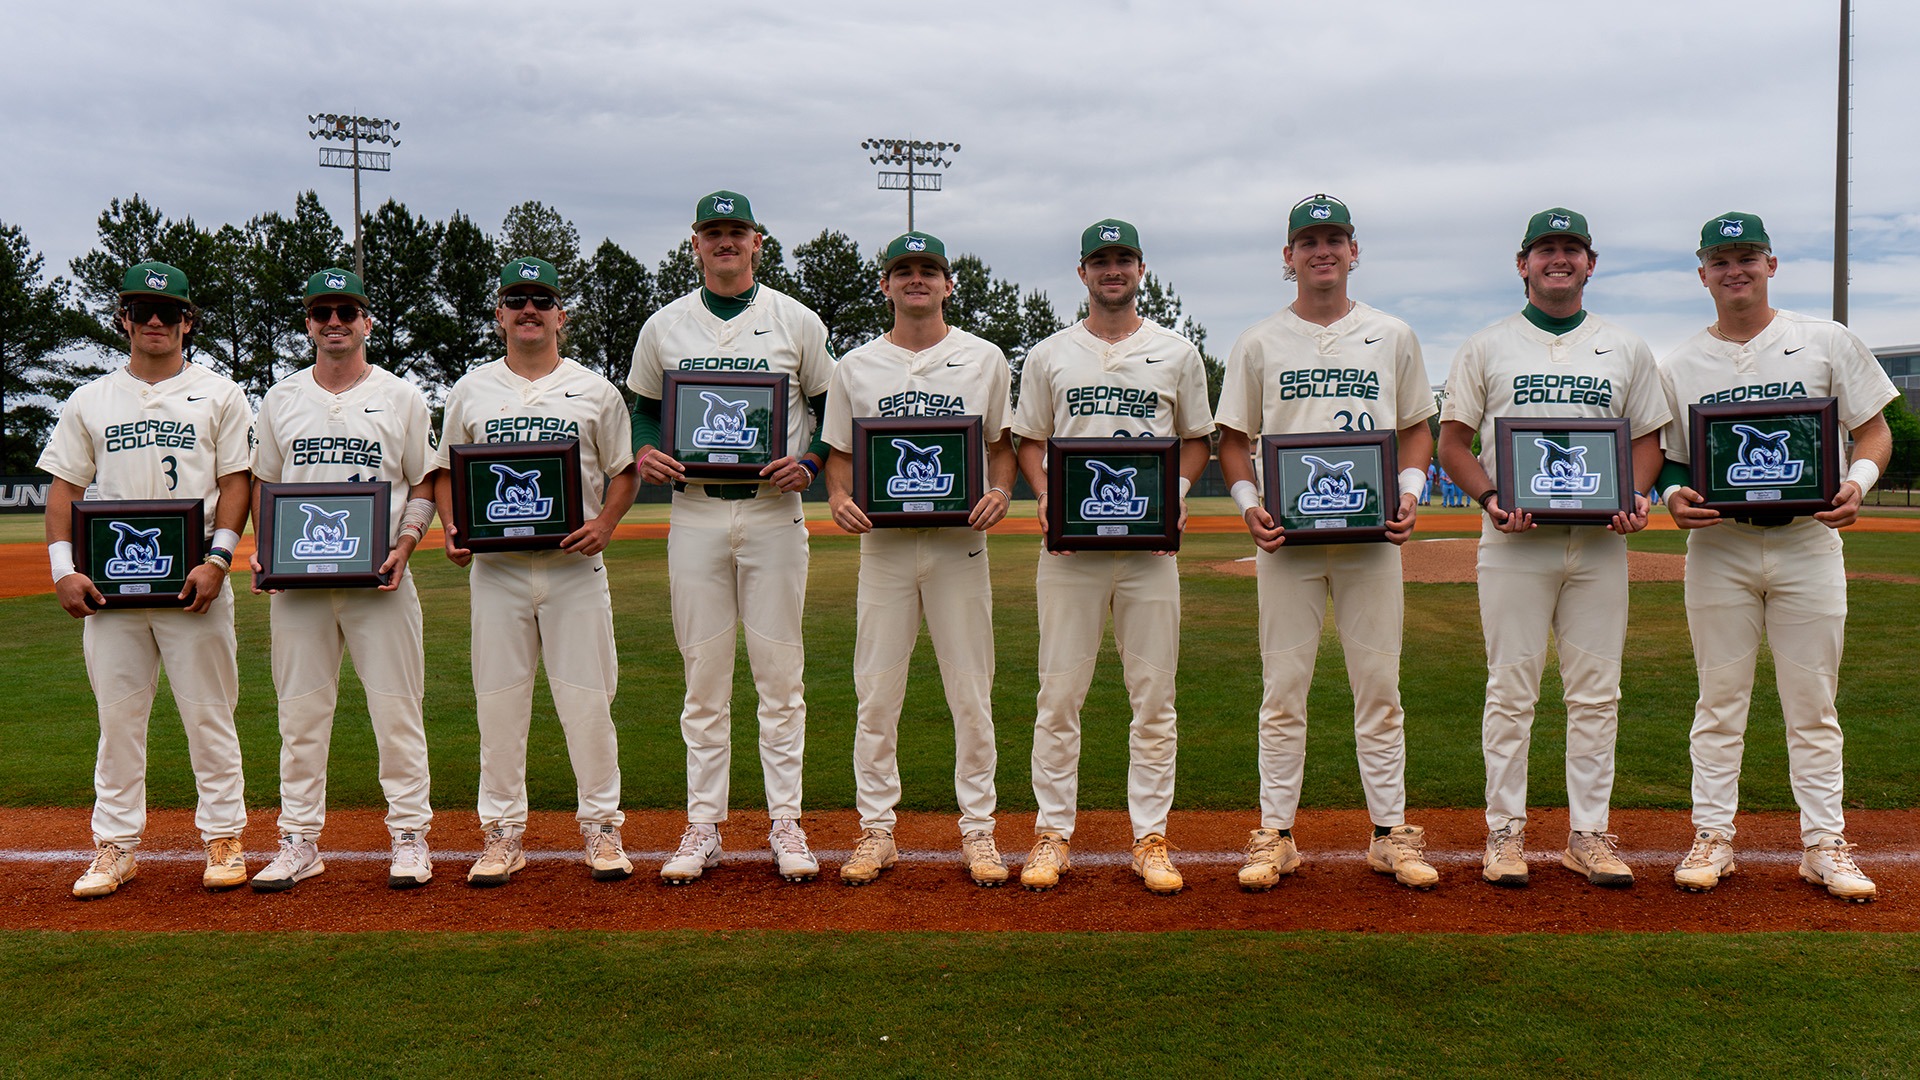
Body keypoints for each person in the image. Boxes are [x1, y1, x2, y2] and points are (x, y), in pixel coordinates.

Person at [1656, 212, 1897, 901]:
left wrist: (1858, 483)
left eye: (1747, 257)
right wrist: (1672, 493)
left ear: (1771, 264)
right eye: (1721, 260)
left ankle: (1824, 844)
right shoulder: (1678, 363)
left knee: (1814, 704)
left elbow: (1873, 431)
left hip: (1807, 541)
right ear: (1702, 273)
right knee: (1718, 701)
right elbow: (1670, 458)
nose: (1735, 270)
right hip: (1720, 547)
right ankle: (1712, 835)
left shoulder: (1825, 339)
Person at [1437, 208, 1669, 888]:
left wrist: (1637, 495)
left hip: (1598, 545)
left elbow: (1647, 441)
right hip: (1515, 542)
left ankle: (1588, 833)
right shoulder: (1487, 346)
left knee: (1596, 694)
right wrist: (1489, 498)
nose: (1558, 259)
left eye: (1572, 249)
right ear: (1523, 264)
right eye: (1546, 249)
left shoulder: (1625, 347)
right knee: (1511, 690)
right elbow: (1453, 442)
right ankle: (1505, 832)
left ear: (1591, 263)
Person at [1214, 195, 1440, 891]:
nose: (1323, 251)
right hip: (1289, 543)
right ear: (1288, 256)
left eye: (1335, 239)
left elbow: (1416, 427)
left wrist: (1409, 492)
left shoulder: (1392, 334)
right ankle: (1275, 833)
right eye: (1309, 241)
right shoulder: (1258, 341)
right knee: (1284, 690)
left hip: (1371, 541)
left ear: (1353, 250)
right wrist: (1250, 505)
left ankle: (1390, 833)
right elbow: (1232, 439)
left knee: (1380, 689)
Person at [628, 191, 835, 884]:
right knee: (704, 678)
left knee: (780, 677)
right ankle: (703, 824)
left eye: (736, 232)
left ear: (756, 242)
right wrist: (646, 450)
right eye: (713, 232)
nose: (725, 242)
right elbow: (644, 410)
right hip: (695, 513)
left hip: (774, 512)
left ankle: (785, 820)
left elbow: (832, 411)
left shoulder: (795, 320)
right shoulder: (664, 325)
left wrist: (811, 463)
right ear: (695, 243)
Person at [1011, 219, 1214, 895]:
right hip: (1070, 549)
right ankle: (1051, 832)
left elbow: (1196, 439)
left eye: (1123, 259)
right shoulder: (1049, 354)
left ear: (1140, 268)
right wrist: (1045, 495)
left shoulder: (1177, 352)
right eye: (1100, 261)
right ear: (1083, 272)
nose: (1112, 270)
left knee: (1153, 697)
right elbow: (1030, 440)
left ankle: (1150, 837)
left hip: (1149, 550)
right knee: (1057, 695)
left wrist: (1176, 493)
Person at [39, 261, 251, 897]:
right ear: (124, 320)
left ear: (187, 321)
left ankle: (224, 836)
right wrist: (63, 569)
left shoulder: (221, 393)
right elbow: (65, 487)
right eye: (141, 310)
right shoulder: (91, 398)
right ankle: (115, 846)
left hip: (194, 581)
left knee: (210, 715)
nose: (154, 320)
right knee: (119, 721)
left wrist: (219, 560)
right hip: (111, 587)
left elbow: (236, 482)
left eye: (168, 311)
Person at [434, 257, 639, 888]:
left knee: (588, 703)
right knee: (499, 706)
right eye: (517, 300)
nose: (529, 310)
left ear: (560, 315)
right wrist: (454, 526)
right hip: (497, 571)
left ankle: (602, 827)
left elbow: (624, 472)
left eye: (541, 300)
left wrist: (605, 525)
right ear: (499, 314)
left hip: (574, 565)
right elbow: (445, 472)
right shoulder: (471, 389)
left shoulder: (595, 390)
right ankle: (501, 833)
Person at [822, 232, 1018, 887]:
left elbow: (1000, 448)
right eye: (903, 271)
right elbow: (841, 457)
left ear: (947, 284)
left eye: (928, 271)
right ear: (884, 284)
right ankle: (876, 830)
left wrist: (1000, 492)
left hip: (959, 546)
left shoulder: (984, 358)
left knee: (971, 693)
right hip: (884, 548)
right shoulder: (855, 366)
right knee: (876, 694)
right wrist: (840, 498)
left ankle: (979, 829)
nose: (916, 280)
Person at [246, 268, 436, 892]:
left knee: (397, 711)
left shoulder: (402, 396)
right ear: (308, 324)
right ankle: (299, 839)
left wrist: (406, 543)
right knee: (299, 716)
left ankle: (409, 836)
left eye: (346, 312)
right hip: (299, 586)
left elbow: (424, 480)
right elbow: (265, 484)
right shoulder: (280, 398)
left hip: (380, 580)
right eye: (322, 312)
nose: (334, 322)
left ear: (366, 322)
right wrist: (266, 551)